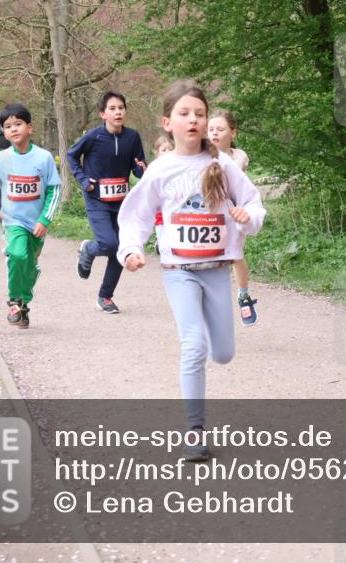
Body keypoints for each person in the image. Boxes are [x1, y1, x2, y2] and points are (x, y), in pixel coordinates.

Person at [117, 80, 265, 461]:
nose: (193, 120)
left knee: (224, 353)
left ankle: (214, 363)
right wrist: (131, 249)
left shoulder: (222, 165)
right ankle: (195, 432)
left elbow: (252, 201)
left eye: (200, 113)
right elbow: (136, 215)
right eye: (184, 114)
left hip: (216, 269)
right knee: (193, 345)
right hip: (178, 269)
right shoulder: (161, 170)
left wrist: (248, 217)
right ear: (168, 122)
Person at [0, 104, 61, 329]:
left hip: (36, 223)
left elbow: (55, 189)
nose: (13, 129)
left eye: (18, 124)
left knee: (30, 265)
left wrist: (45, 220)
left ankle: (24, 303)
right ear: (3, 132)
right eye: (7, 126)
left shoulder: (44, 158)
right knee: (17, 255)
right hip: (13, 221)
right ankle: (15, 301)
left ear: (29, 127)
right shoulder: (2, 158)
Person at [67, 91, 147, 314]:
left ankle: (106, 296)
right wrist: (84, 180)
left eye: (121, 107)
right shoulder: (93, 137)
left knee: (120, 249)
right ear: (103, 114)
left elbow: (137, 166)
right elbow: (71, 155)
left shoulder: (133, 137)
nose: (118, 112)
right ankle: (89, 249)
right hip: (97, 199)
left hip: (122, 201)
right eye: (112, 108)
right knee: (109, 244)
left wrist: (143, 170)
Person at [208, 110, 257, 325]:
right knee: (210, 259)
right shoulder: (199, 155)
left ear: (233, 132)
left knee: (236, 255)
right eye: (210, 129)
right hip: (208, 217)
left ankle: (244, 295)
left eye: (220, 129)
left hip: (234, 216)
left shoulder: (238, 158)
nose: (214, 133)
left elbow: (232, 179)